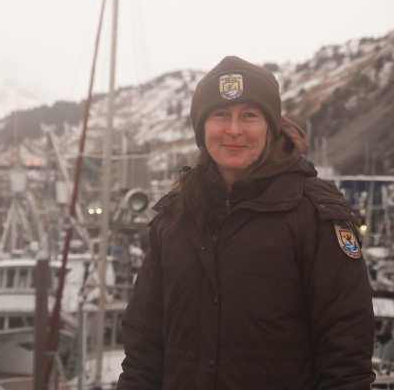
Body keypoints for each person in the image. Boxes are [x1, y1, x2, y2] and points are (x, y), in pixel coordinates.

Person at [117, 56, 375, 390]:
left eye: (249, 115)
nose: (234, 129)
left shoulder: (313, 213)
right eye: (220, 114)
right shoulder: (174, 219)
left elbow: (347, 354)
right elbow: (143, 350)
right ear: (202, 128)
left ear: (270, 126)